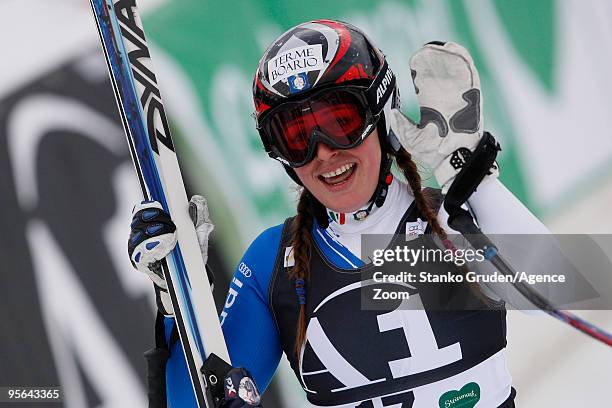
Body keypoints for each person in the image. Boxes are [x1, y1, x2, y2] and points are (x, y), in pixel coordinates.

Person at [128, 20, 552, 407]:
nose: (324, 152)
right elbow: (187, 403)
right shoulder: (273, 264)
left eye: (340, 120)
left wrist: (470, 174)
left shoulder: (448, 222)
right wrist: (175, 300)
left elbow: (554, 293)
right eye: (296, 136)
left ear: (381, 113)